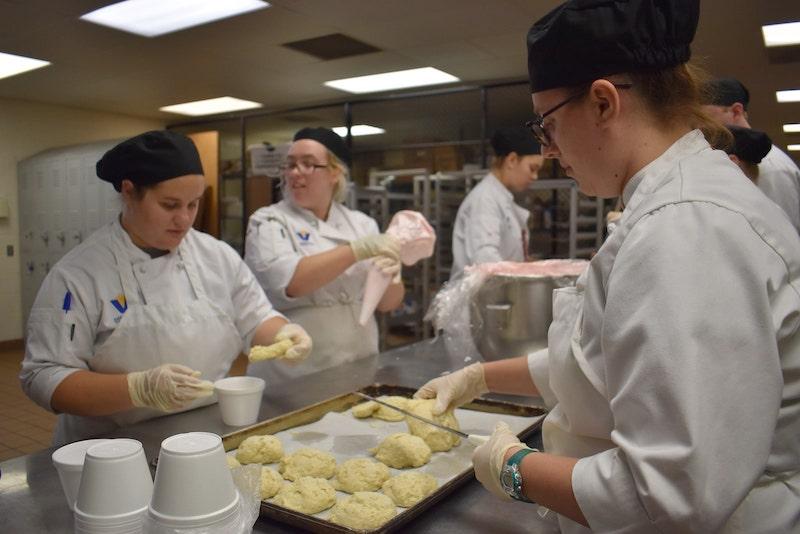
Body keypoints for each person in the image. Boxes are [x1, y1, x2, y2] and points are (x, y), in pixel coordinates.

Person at [415, 1, 800, 532]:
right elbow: (602, 362)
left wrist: (515, 470)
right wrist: (479, 377)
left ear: (602, 103)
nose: (547, 151)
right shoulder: (671, 200)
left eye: (546, 126)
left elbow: (672, 492)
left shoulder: (685, 227)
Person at [19, 130, 312, 446]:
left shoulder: (216, 256)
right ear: (129, 192)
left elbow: (255, 317)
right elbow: (44, 377)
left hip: (207, 431)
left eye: (193, 204)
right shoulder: (78, 275)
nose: (184, 219)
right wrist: (138, 388)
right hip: (109, 444)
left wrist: (283, 333)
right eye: (170, 205)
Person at [244, 127, 404, 383]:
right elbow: (291, 283)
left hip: (358, 361)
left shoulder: (361, 224)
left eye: (308, 164)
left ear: (335, 172)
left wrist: (394, 272)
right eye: (291, 164)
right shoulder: (269, 221)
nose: (295, 173)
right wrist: (355, 251)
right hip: (297, 370)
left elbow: (387, 304)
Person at [703, 77, 800, 232]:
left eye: (706, 117)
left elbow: (783, 230)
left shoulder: (770, 166)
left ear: (736, 111)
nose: (702, 126)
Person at [450, 126, 544, 279]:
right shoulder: (485, 199)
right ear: (512, 160)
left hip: (497, 294)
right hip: (481, 299)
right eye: (532, 168)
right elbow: (486, 260)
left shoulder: (501, 198)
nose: (535, 177)